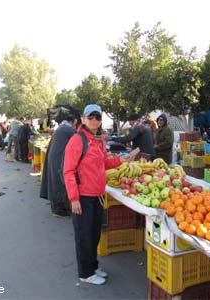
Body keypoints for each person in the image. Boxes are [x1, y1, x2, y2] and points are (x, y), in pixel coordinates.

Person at [63, 104, 134, 285]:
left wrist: (120, 160)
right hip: (83, 197)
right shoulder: (77, 140)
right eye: (91, 116)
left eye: (98, 117)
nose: (94, 120)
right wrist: (74, 198)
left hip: (97, 195)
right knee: (84, 236)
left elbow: (104, 164)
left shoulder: (98, 141)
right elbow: (68, 171)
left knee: (94, 235)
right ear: (84, 119)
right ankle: (85, 273)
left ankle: (93, 267)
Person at [40, 113, 79, 216]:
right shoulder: (68, 129)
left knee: (55, 182)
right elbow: (81, 137)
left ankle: (58, 207)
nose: (75, 124)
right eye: (75, 123)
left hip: (55, 157)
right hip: (58, 158)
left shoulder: (62, 128)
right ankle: (57, 209)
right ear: (71, 121)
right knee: (58, 183)